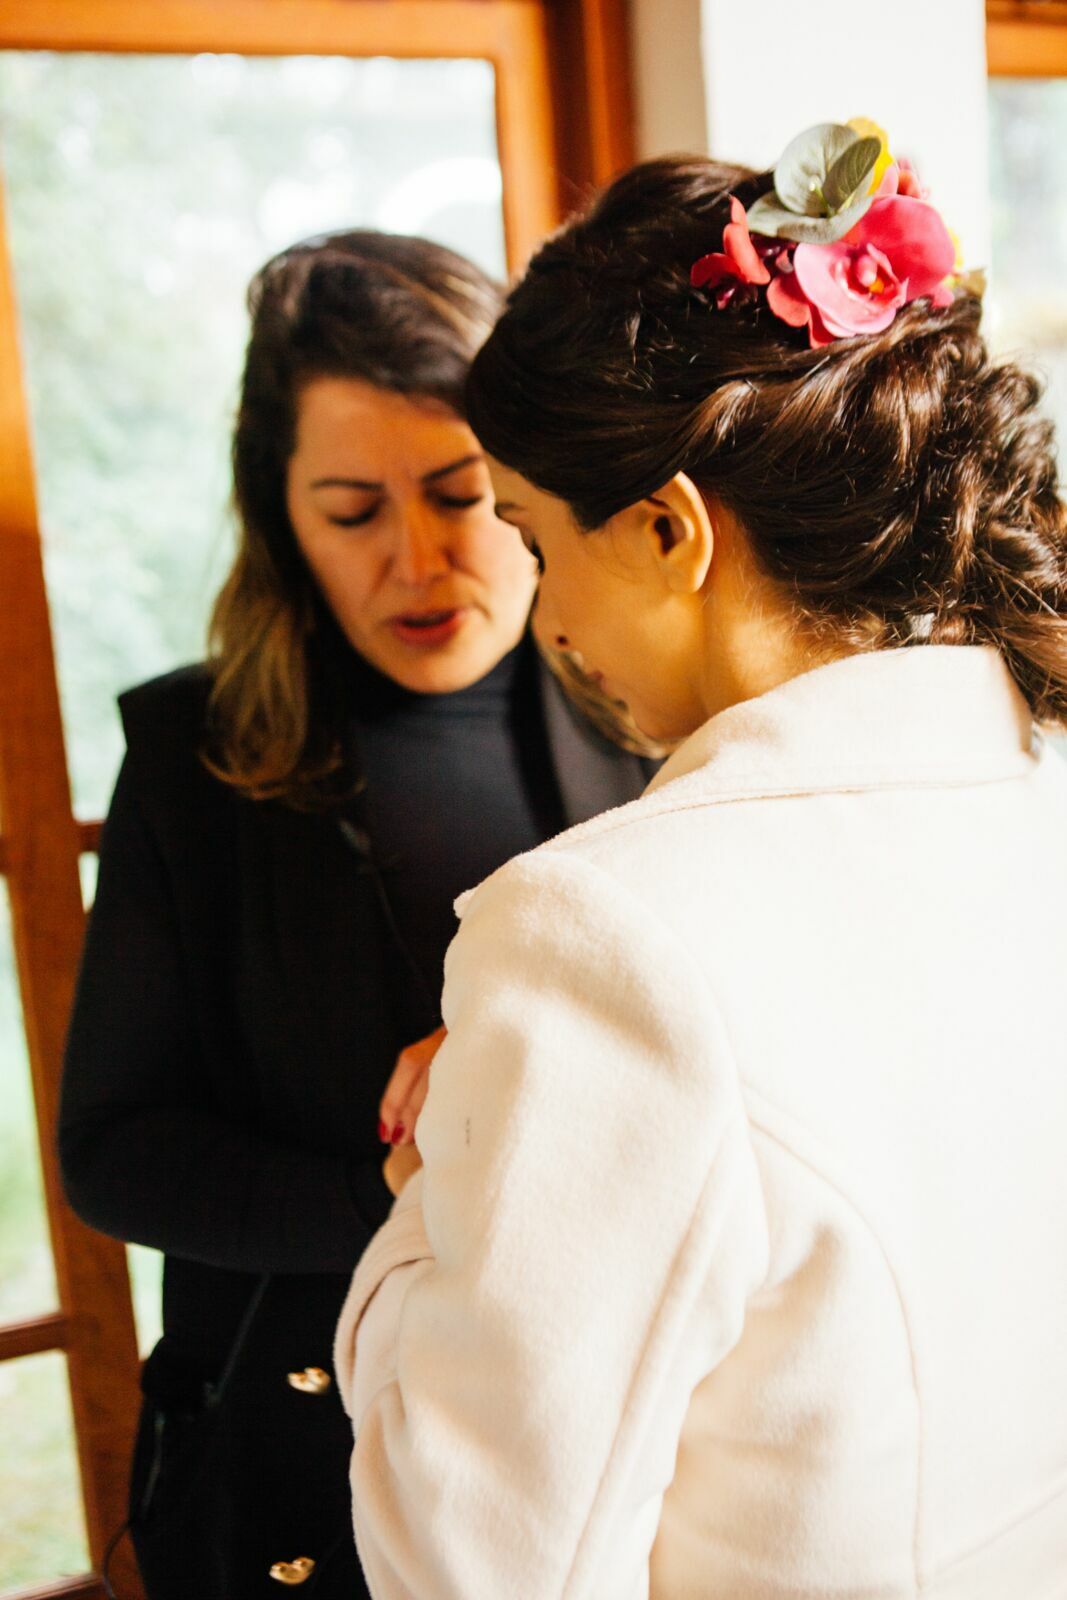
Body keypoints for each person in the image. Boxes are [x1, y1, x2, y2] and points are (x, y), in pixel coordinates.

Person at [334, 129, 1067, 1597]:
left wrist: (444, 1178)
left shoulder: (605, 944)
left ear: (669, 532)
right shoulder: (1035, 784)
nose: (548, 620)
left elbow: (477, 1567)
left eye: (540, 543)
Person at [57, 230, 654, 1599]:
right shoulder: (195, 755)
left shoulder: (652, 718)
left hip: (590, 1434)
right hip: (291, 1446)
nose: (421, 560)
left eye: (461, 495)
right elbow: (112, 1151)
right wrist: (384, 1190)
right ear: (281, 520)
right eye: (352, 512)